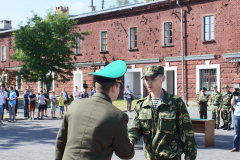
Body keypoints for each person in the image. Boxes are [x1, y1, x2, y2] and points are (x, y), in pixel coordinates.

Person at [55, 60, 134, 160]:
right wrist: (129, 144)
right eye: (119, 86)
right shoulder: (117, 116)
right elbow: (125, 154)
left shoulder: (74, 105)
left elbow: (60, 141)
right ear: (114, 88)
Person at [128, 65, 197, 160]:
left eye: (153, 79)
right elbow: (136, 129)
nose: (149, 83)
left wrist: (190, 157)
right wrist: (130, 140)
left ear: (163, 79)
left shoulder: (176, 103)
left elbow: (187, 133)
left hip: (171, 157)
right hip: (150, 157)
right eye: (146, 79)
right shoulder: (141, 104)